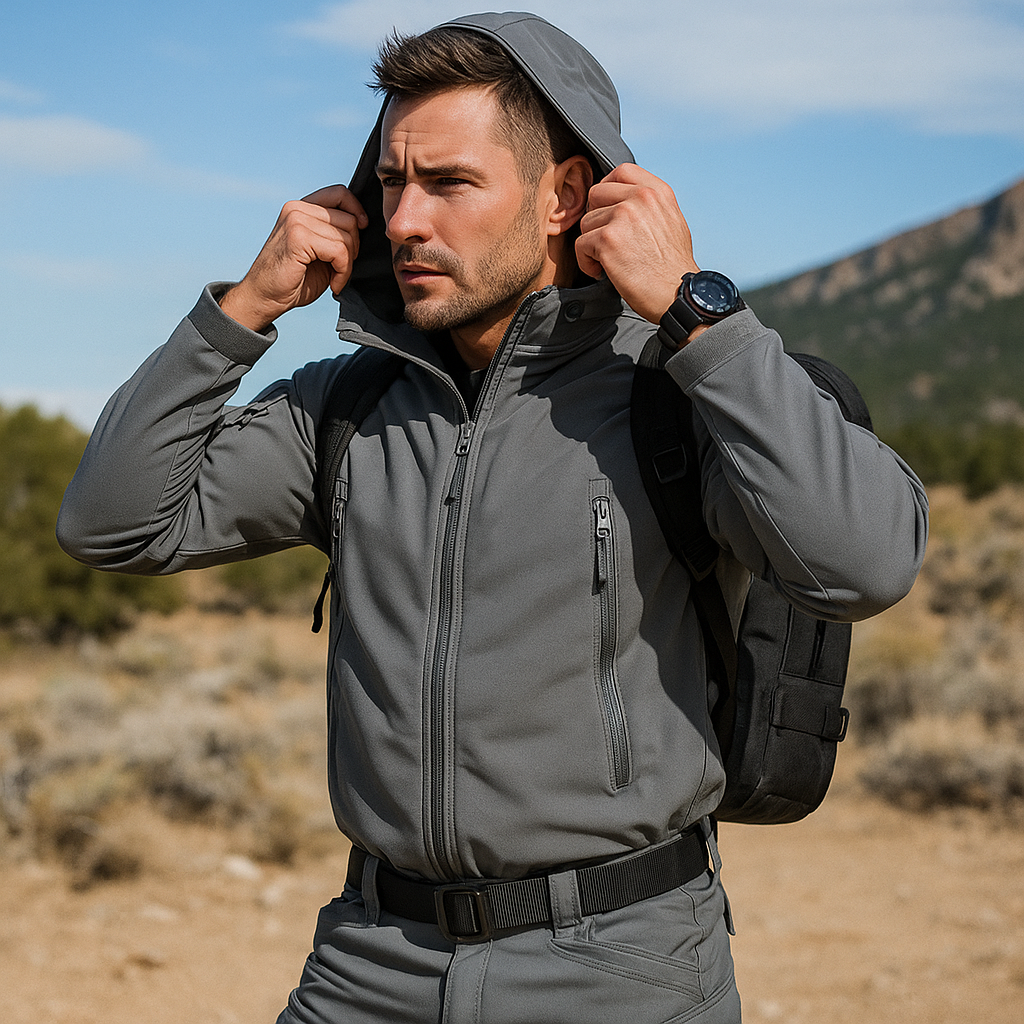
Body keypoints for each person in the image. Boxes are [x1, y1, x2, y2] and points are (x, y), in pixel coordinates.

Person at [57, 12, 928, 1023]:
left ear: (564, 196)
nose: (404, 221)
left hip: (626, 970)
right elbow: (112, 524)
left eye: (449, 183)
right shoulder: (347, 408)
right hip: (367, 963)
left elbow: (864, 563)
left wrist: (700, 319)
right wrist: (242, 309)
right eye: (391, 181)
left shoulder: (678, 396)